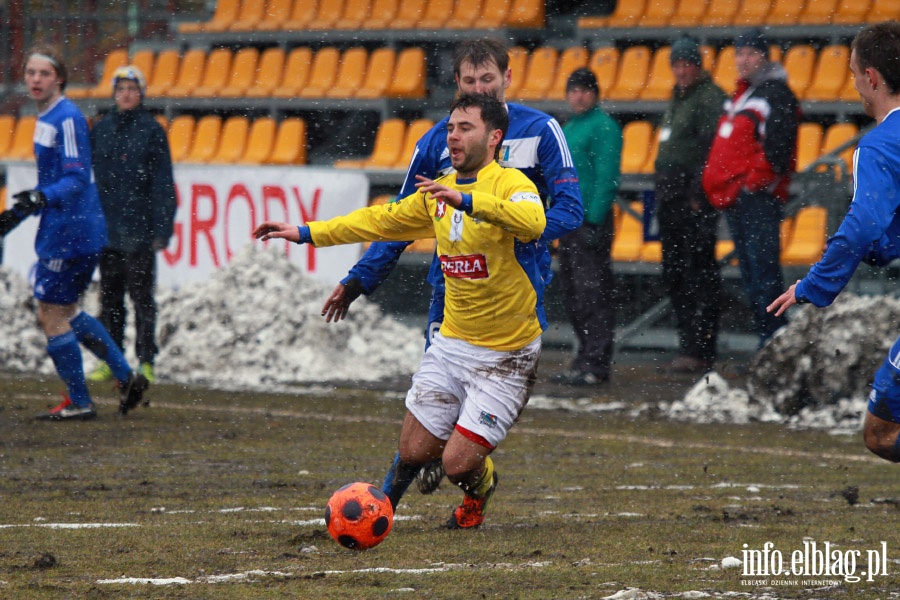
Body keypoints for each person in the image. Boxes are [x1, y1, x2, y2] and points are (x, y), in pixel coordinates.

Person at [255, 93, 546, 529]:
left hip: (506, 357)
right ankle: (416, 486)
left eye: (465, 128)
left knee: (457, 466)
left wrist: (468, 201)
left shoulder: (512, 184)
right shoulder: (436, 193)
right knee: (412, 451)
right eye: (450, 128)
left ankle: (480, 488)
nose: (453, 136)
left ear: (495, 137)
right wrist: (304, 232)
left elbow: (533, 222)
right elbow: (377, 221)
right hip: (452, 344)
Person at [320, 37, 583, 498]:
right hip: (450, 287)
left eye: (488, 80)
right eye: (469, 81)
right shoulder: (440, 140)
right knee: (426, 419)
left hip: (511, 286)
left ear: (507, 79)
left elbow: (569, 208)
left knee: (459, 444)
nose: (479, 89)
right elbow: (399, 218)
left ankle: (462, 472)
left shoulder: (541, 131)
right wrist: (359, 278)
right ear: (456, 83)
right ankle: (386, 503)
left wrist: (523, 235)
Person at [768, 21, 900, 463]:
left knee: (881, 434)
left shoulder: (881, 144)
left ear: (872, 78)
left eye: (853, 72)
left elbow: (863, 222)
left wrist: (815, 285)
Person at [6, 44, 149, 420]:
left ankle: (80, 400)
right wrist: (22, 210)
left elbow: (75, 178)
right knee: (66, 310)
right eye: (31, 73)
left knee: (52, 314)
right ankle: (124, 375)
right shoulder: (48, 117)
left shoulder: (67, 118)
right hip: (69, 227)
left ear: (60, 79)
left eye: (44, 74)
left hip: (71, 231)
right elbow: (54, 182)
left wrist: (38, 198)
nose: (36, 80)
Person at [702, 27, 800, 346]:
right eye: (739, 53)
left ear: (764, 56)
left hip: (756, 200)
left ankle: (774, 343)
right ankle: (768, 341)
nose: (743, 60)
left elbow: (779, 149)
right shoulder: (743, 94)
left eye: (750, 53)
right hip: (738, 199)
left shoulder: (776, 94)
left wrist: (751, 185)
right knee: (751, 275)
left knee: (763, 274)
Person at [87, 66, 176, 385]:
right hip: (107, 229)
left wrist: (162, 228)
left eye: (132, 88)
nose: (126, 94)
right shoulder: (101, 129)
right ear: (113, 94)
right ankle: (110, 359)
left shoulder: (152, 130)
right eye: (121, 88)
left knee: (142, 299)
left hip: (140, 230)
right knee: (109, 299)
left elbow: (163, 182)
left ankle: (146, 360)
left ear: (141, 93)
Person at [655, 36, 728, 373]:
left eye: (688, 64)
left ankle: (701, 346)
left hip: (692, 196)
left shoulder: (709, 97)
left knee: (698, 271)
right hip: (671, 194)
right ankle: (689, 344)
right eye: (677, 64)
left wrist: (699, 193)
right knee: (675, 271)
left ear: (698, 66)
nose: (682, 70)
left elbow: (710, 148)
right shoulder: (678, 97)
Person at [553, 68, 621, 386]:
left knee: (592, 290)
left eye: (584, 90)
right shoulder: (569, 127)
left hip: (588, 219)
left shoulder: (604, 127)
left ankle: (596, 362)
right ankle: (584, 358)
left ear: (595, 93)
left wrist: (594, 219)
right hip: (568, 219)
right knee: (573, 291)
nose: (578, 96)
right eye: (573, 89)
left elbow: (607, 177)